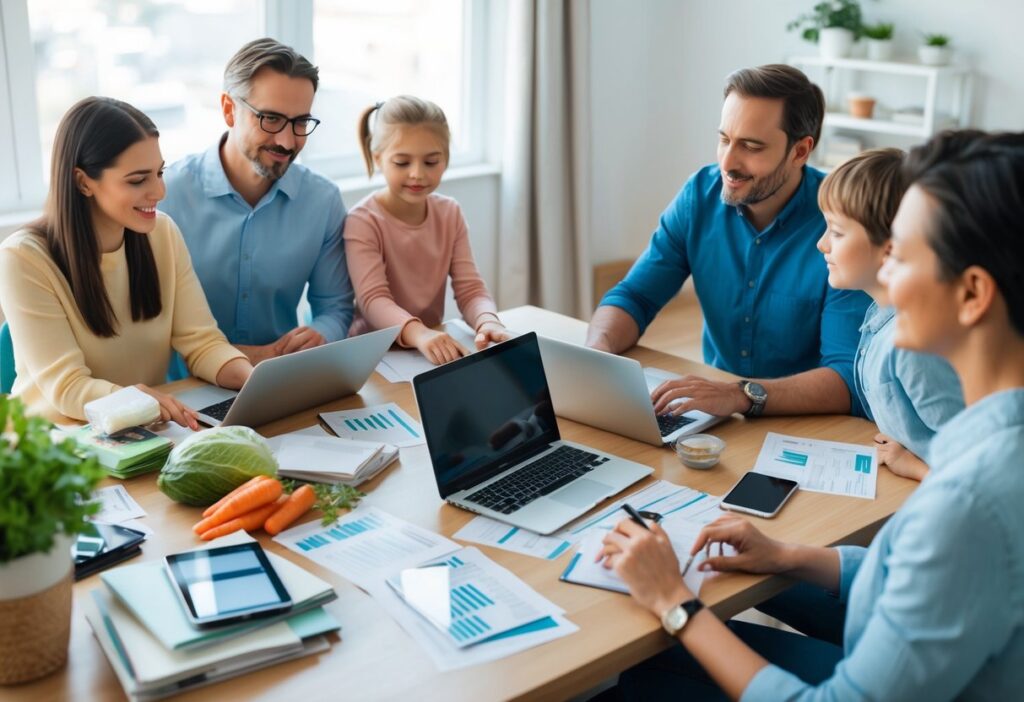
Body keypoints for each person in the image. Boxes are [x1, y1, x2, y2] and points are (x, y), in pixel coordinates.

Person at [598, 130, 1024, 700]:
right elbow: (926, 576)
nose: (886, 274)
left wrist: (674, 605)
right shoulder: (984, 452)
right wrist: (786, 555)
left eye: (899, 251)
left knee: (643, 672)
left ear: (973, 294)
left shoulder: (967, 504)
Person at [586, 65, 870, 419]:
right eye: (724, 139)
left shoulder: (842, 226)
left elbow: (847, 378)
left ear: (800, 151)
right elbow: (634, 297)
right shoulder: (698, 197)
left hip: (807, 421)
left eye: (751, 147)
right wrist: (597, 351)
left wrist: (741, 395)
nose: (728, 162)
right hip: (718, 412)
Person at [0, 97, 252, 427]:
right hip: (58, 441)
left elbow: (202, 342)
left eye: (159, 173)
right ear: (83, 181)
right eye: (137, 180)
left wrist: (256, 381)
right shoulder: (23, 258)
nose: (159, 191)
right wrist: (144, 401)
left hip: (141, 427)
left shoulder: (162, 233)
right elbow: (68, 388)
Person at [159, 38, 353, 374]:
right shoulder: (167, 195)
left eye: (300, 122)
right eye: (271, 119)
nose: (287, 141)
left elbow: (335, 307)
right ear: (229, 110)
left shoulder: (322, 201)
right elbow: (141, 322)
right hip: (185, 391)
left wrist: (320, 335)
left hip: (278, 377)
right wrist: (229, 358)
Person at [816, 148, 962, 481]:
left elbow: (977, 466)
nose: (821, 244)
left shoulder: (915, 345)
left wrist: (912, 465)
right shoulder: (879, 315)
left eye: (836, 233)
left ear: (890, 247)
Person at [343, 95, 509, 364]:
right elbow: (373, 300)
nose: (418, 174)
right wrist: (418, 333)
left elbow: (471, 289)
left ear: (446, 158)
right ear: (378, 158)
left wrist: (488, 321)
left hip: (427, 349)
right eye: (402, 163)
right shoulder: (363, 221)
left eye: (431, 162)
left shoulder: (449, 213)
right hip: (373, 356)